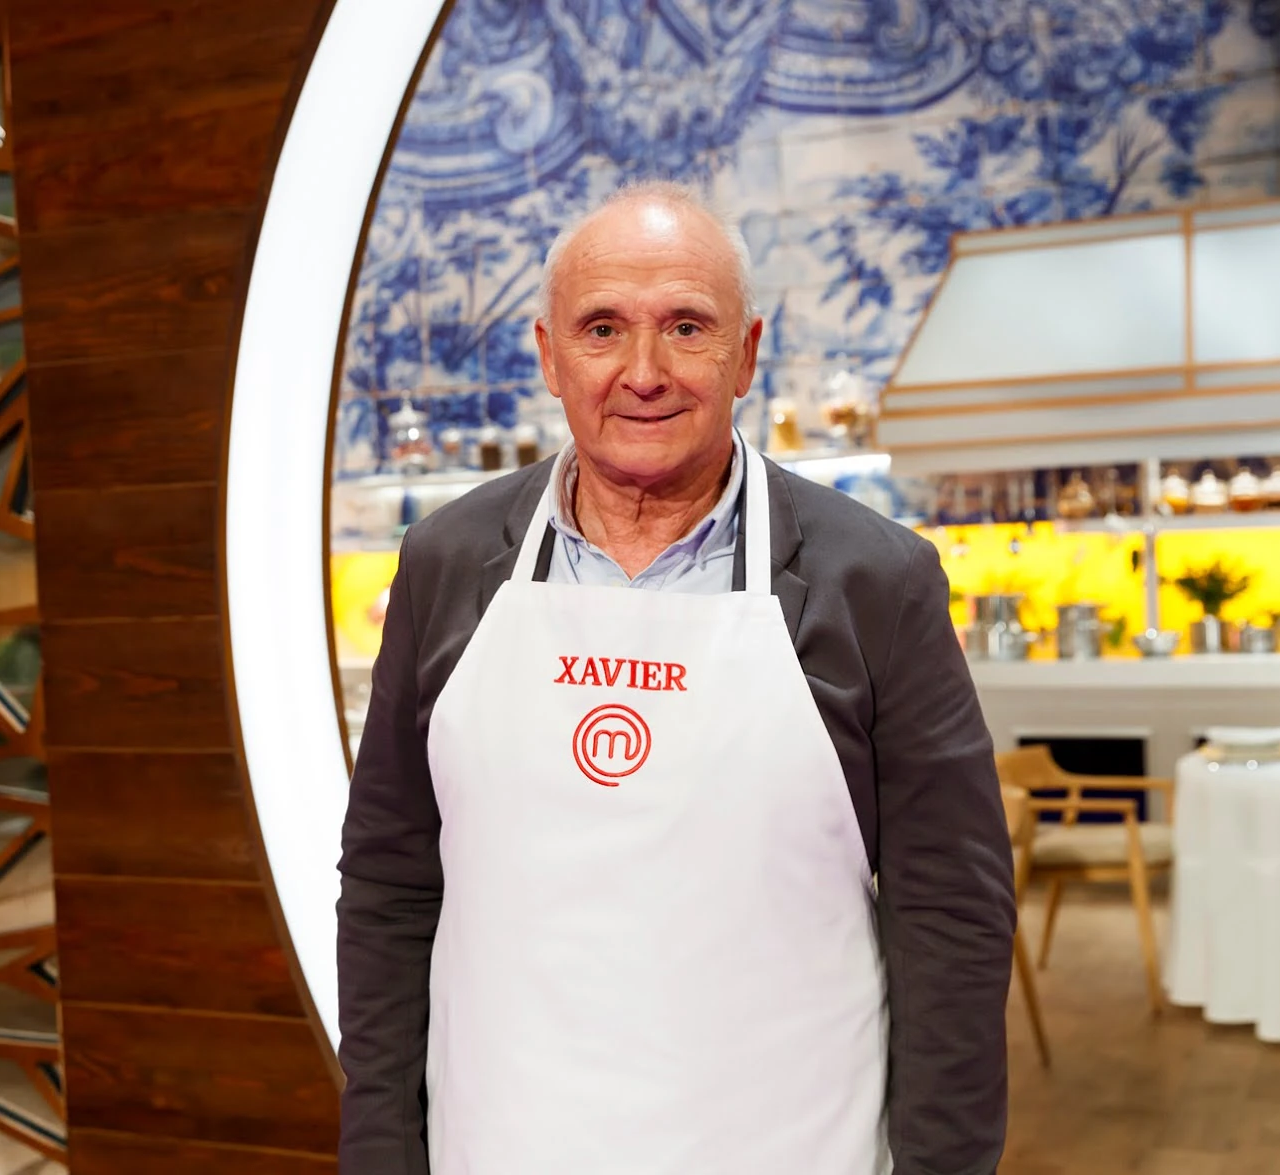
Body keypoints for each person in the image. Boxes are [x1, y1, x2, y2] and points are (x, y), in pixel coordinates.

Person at [337, 181, 1015, 1174]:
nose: (643, 372)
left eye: (686, 327)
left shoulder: (876, 580)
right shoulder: (445, 562)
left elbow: (950, 913)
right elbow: (390, 882)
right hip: (499, 1140)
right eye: (601, 329)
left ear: (745, 353)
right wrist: (379, 1151)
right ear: (549, 356)